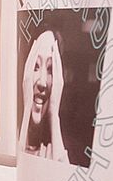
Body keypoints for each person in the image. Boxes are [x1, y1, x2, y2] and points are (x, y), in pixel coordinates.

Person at [18, 27, 72, 164]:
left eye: (50, 69)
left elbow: (62, 174)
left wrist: (54, 114)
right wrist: (26, 110)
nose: (42, 82)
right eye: (35, 66)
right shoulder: (10, 138)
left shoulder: (54, 150)